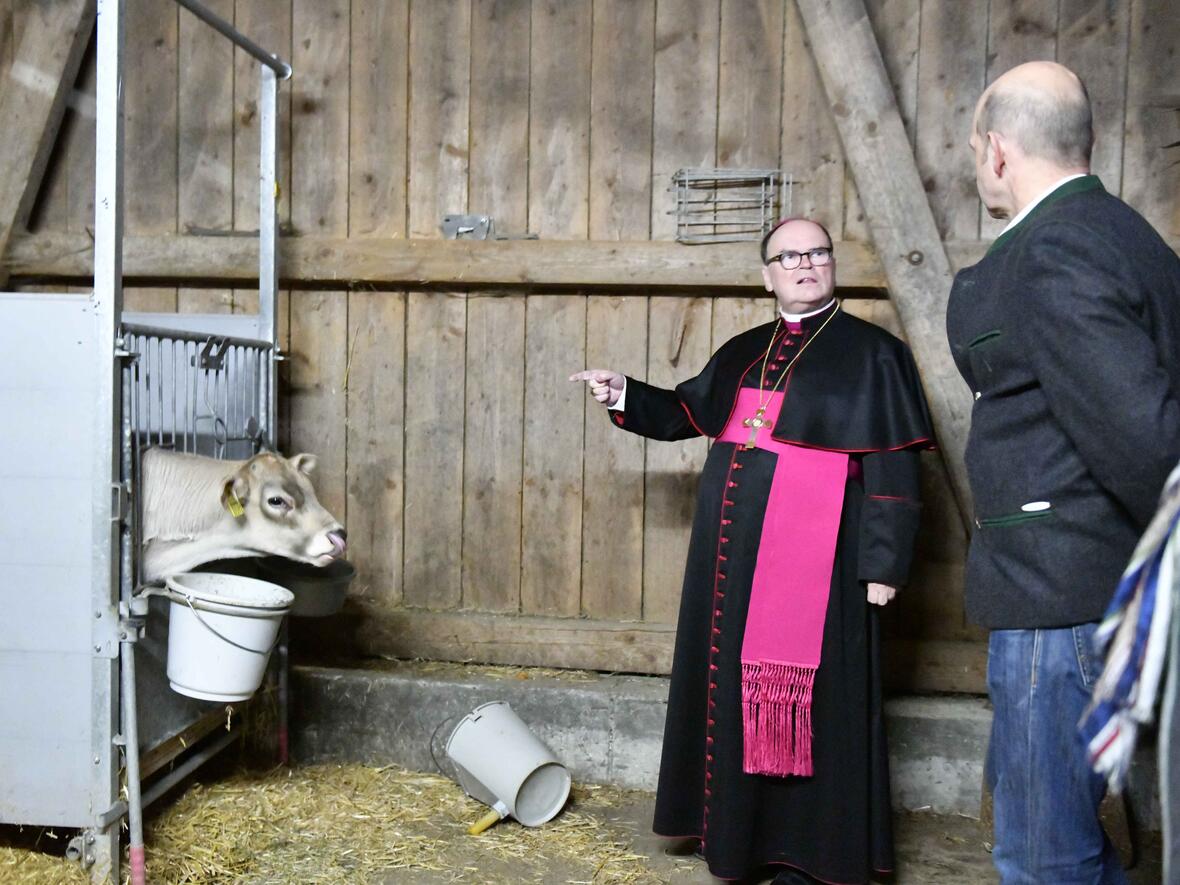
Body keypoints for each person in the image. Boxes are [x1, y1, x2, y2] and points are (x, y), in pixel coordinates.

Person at [572, 217, 934, 884]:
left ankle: (811, 851)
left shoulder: (875, 354)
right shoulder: (744, 348)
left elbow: (895, 470)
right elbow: (686, 414)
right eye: (788, 256)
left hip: (824, 565)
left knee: (818, 700)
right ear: (768, 276)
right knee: (732, 690)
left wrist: (884, 564)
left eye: (817, 252)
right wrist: (623, 392)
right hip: (730, 564)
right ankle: (736, 836)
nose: (805, 264)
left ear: (832, 264)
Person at [946, 60, 1180, 883]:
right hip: (1088, 592)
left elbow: (1147, 437)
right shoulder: (1132, 237)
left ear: (997, 151)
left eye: (976, 151)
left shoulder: (1053, 249)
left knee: (1046, 859)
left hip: (1063, 600)